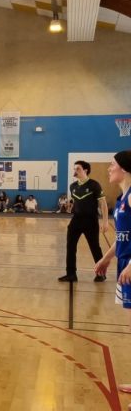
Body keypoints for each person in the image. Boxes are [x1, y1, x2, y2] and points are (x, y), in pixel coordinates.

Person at [93, 150, 131, 399]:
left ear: (125, 169)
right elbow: (122, 238)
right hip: (125, 266)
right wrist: (106, 259)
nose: (109, 168)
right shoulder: (121, 198)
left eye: (112, 165)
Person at [61, 160, 109, 282]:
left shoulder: (94, 185)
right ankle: (71, 274)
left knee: (95, 247)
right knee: (70, 246)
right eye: (74, 169)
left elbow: (103, 204)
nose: (75, 171)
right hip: (76, 220)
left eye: (77, 169)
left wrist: (105, 222)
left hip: (91, 221)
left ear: (85, 170)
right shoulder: (73, 186)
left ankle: (101, 273)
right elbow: (76, 204)